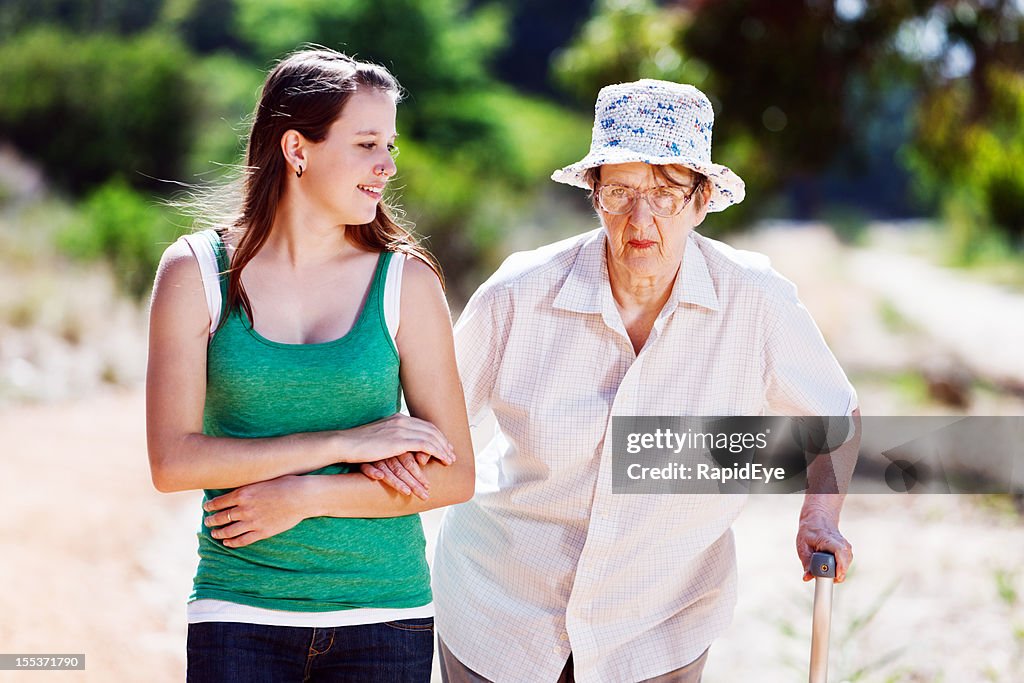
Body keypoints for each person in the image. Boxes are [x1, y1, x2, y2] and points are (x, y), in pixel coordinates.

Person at [432, 79, 859, 682]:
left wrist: (820, 514)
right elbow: (431, 430)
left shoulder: (756, 302)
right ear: (594, 195)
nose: (640, 218)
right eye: (620, 191)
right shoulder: (517, 295)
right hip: (504, 614)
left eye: (664, 193)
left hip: (658, 626)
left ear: (702, 199)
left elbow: (835, 415)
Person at [146, 47, 474, 682]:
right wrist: (347, 441)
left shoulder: (406, 282)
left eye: (391, 148)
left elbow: (455, 477)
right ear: (298, 149)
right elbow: (173, 462)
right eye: (367, 144)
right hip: (237, 612)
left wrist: (306, 495)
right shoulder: (196, 272)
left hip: (386, 620)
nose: (386, 167)